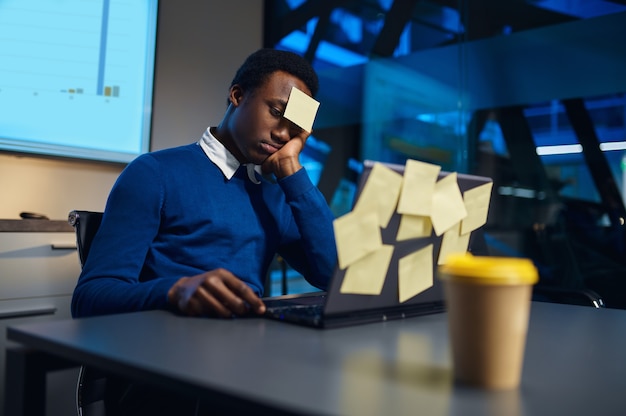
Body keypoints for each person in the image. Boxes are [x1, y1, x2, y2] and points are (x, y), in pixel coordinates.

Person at [71, 48, 337, 319]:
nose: (282, 133)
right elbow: (89, 298)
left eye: (294, 128)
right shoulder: (154, 173)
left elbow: (333, 275)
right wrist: (175, 292)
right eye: (276, 111)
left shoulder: (274, 196)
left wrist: (292, 170)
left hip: (246, 348)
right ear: (237, 95)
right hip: (164, 348)